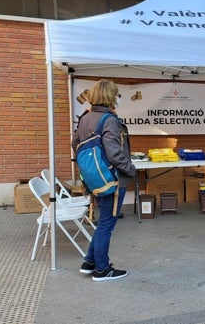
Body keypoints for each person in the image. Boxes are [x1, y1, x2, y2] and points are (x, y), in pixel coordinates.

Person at [72, 79, 136, 281]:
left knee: (103, 222)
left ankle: (89, 262)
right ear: (110, 97)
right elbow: (115, 153)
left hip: (95, 179)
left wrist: (93, 168)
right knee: (107, 224)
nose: (118, 97)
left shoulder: (85, 117)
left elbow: (75, 144)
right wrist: (131, 170)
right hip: (112, 179)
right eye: (116, 94)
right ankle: (102, 269)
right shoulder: (109, 119)